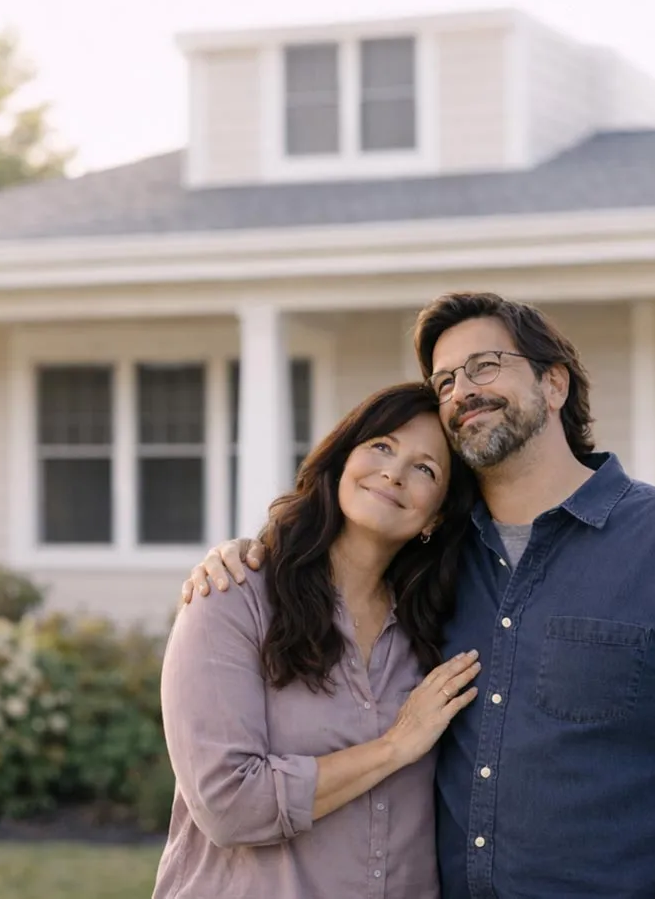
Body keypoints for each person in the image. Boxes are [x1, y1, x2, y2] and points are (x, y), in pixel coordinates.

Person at [183, 291, 655, 899]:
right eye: (445, 381)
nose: (462, 389)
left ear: (554, 384)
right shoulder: (435, 573)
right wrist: (251, 552)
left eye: (484, 365)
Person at [152, 382, 484, 899]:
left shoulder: (436, 630)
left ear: (436, 516)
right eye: (381, 446)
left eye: (425, 469)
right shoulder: (234, 597)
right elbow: (228, 805)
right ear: (342, 458)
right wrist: (395, 746)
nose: (394, 472)